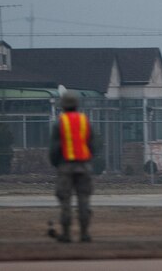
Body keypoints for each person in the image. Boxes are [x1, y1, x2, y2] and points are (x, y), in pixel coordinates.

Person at [48, 91, 94, 243]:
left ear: (63, 105)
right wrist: (88, 160)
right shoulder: (85, 121)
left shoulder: (59, 123)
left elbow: (55, 148)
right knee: (84, 200)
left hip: (66, 165)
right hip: (84, 165)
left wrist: (56, 163)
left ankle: (66, 234)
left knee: (65, 200)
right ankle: (85, 234)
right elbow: (92, 143)